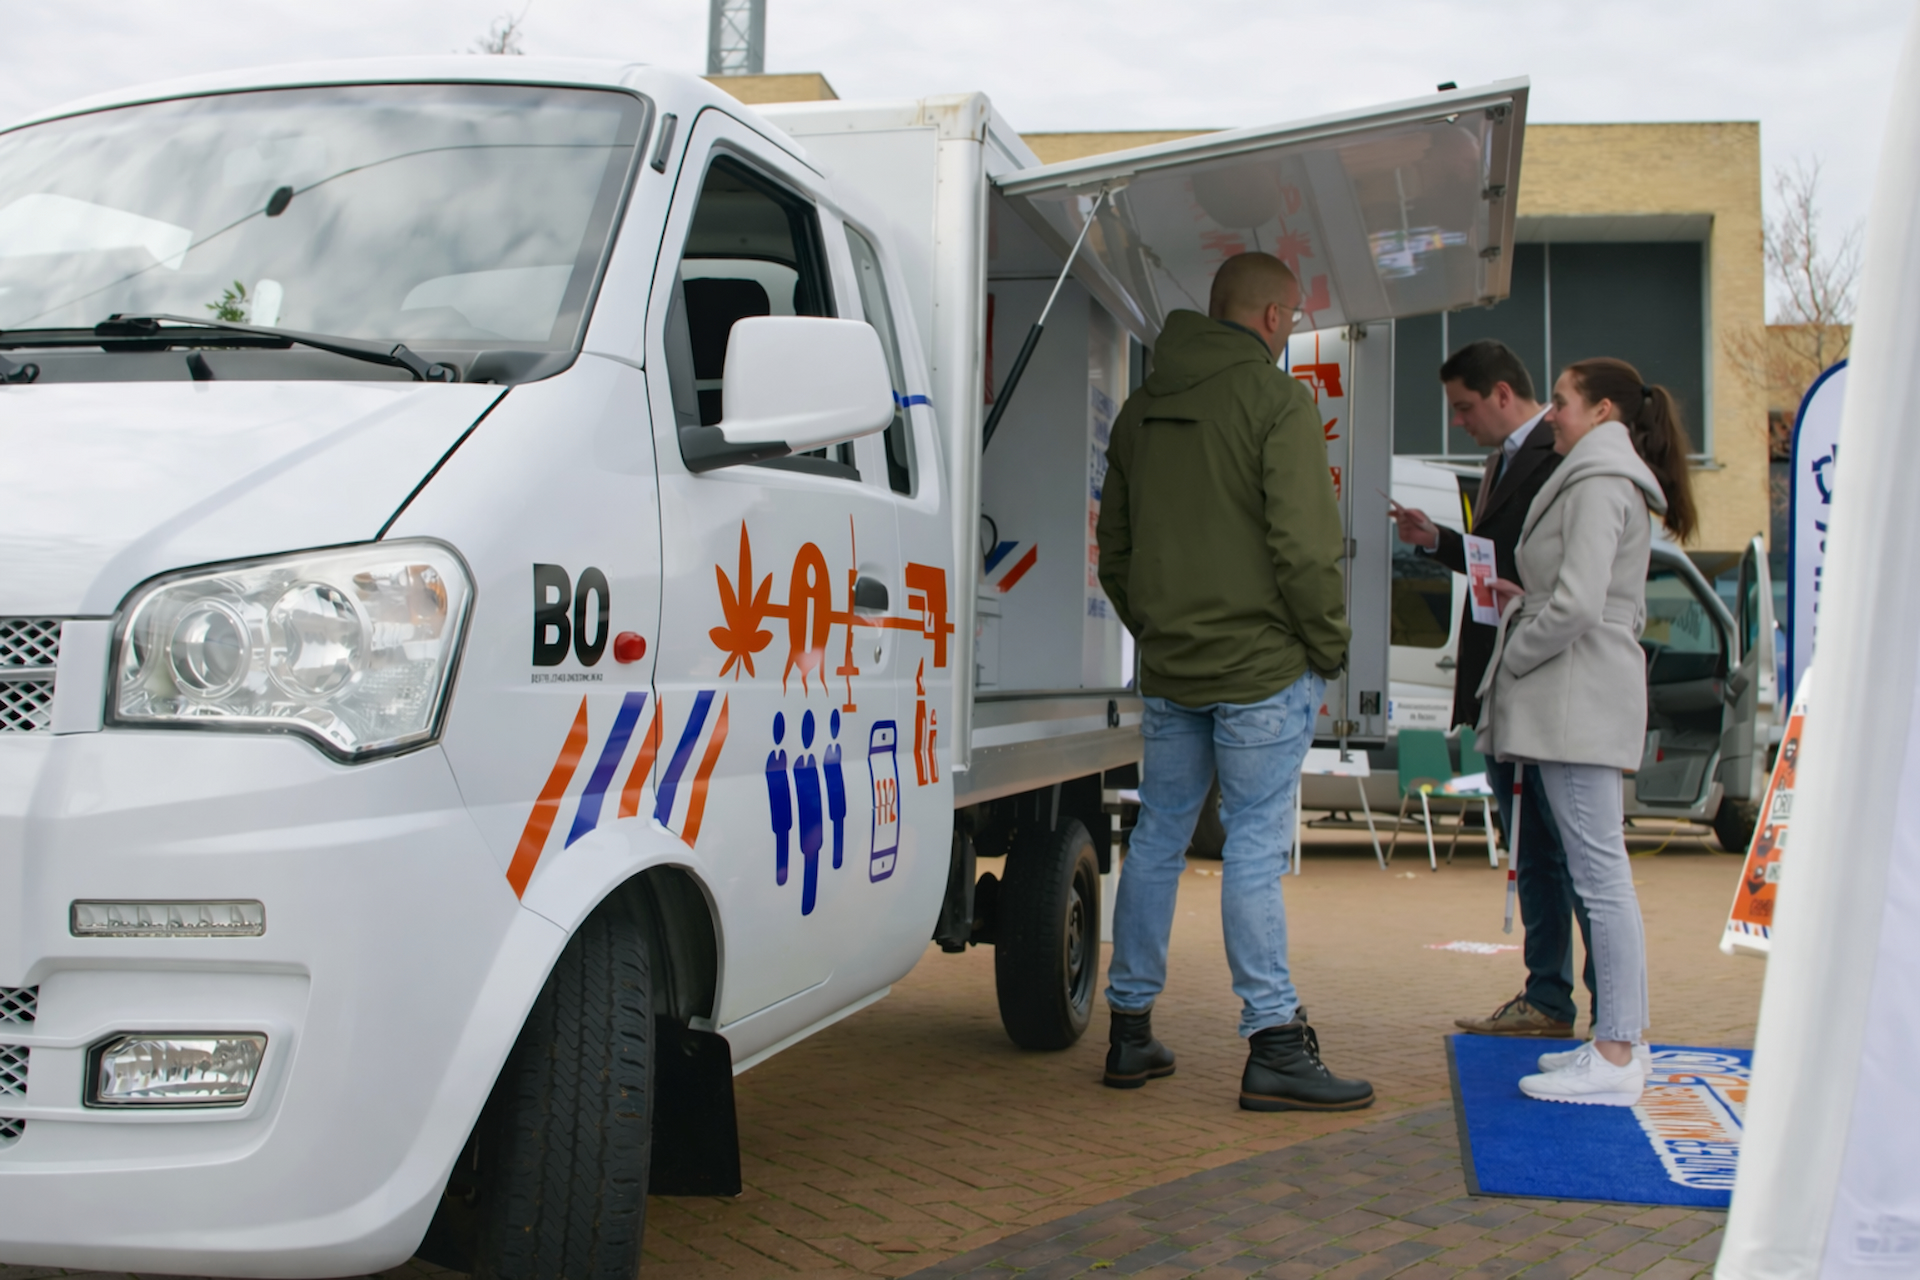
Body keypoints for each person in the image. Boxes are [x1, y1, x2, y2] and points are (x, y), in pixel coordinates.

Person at [1095, 251, 1372, 1112]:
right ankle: (1274, 1043)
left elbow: (1114, 551)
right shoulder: (1277, 402)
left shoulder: (1141, 409)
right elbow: (1305, 549)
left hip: (1172, 667)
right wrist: (1326, 648)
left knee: (1157, 840)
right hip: (1262, 670)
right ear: (1273, 318)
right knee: (1253, 846)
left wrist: (1158, 629)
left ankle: (1129, 1032)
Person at [1477, 356, 1698, 1105]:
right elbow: (1586, 597)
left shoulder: (1601, 479)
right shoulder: (1605, 476)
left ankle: (1616, 1049)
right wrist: (1531, 601)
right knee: (1602, 876)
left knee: (1600, 878)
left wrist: (1519, 653)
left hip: (1575, 698)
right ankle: (1617, 1044)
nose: (1553, 415)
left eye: (1563, 402)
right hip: (1581, 693)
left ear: (1604, 411)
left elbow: (1577, 606)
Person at [1390, 341, 1596, 1040]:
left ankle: (1602, 1006)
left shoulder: (1561, 455)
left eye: (1465, 407)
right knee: (1534, 851)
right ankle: (1549, 997)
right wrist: (1438, 541)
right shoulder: (1501, 461)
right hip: (1503, 680)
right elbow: (1497, 560)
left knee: (1567, 854)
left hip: (1539, 678)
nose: (1458, 422)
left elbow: (1552, 570)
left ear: (1504, 394)